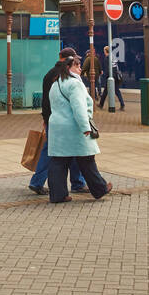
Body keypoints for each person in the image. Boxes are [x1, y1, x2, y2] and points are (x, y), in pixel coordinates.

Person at [45, 53, 113, 203]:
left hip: (57, 127)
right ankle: (99, 188)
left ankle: (58, 195)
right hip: (73, 127)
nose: (80, 68)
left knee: (59, 161)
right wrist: (85, 126)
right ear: (69, 67)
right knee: (87, 159)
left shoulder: (56, 83)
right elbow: (79, 107)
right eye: (77, 65)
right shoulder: (74, 84)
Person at [29, 47, 86, 194]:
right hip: (63, 120)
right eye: (74, 61)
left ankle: (77, 182)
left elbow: (45, 100)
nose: (77, 64)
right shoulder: (63, 75)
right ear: (67, 60)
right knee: (53, 152)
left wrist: (45, 118)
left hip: (53, 119)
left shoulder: (50, 74)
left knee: (64, 151)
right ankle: (38, 181)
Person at [98, 44, 125, 111]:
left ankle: (101, 105)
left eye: (104, 51)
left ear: (105, 51)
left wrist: (106, 76)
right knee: (114, 90)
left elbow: (107, 69)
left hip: (111, 76)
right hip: (115, 75)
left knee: (107, 90)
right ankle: (122, 104)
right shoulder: (113, 56)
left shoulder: (107, 57)